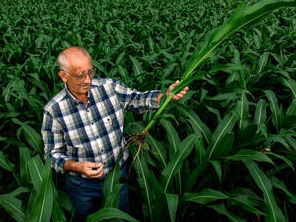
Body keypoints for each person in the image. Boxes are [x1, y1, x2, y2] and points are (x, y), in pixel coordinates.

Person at [41, 46, 189, 221]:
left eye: (90, 72)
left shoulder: (109, 88)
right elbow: (52, 154)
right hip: (81, 187)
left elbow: (138, 99)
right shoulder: (54, 110)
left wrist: (165, 97)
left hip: (117, 178)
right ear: (63, 76)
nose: (87, 80)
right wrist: (75, 166)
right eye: (80, 75)